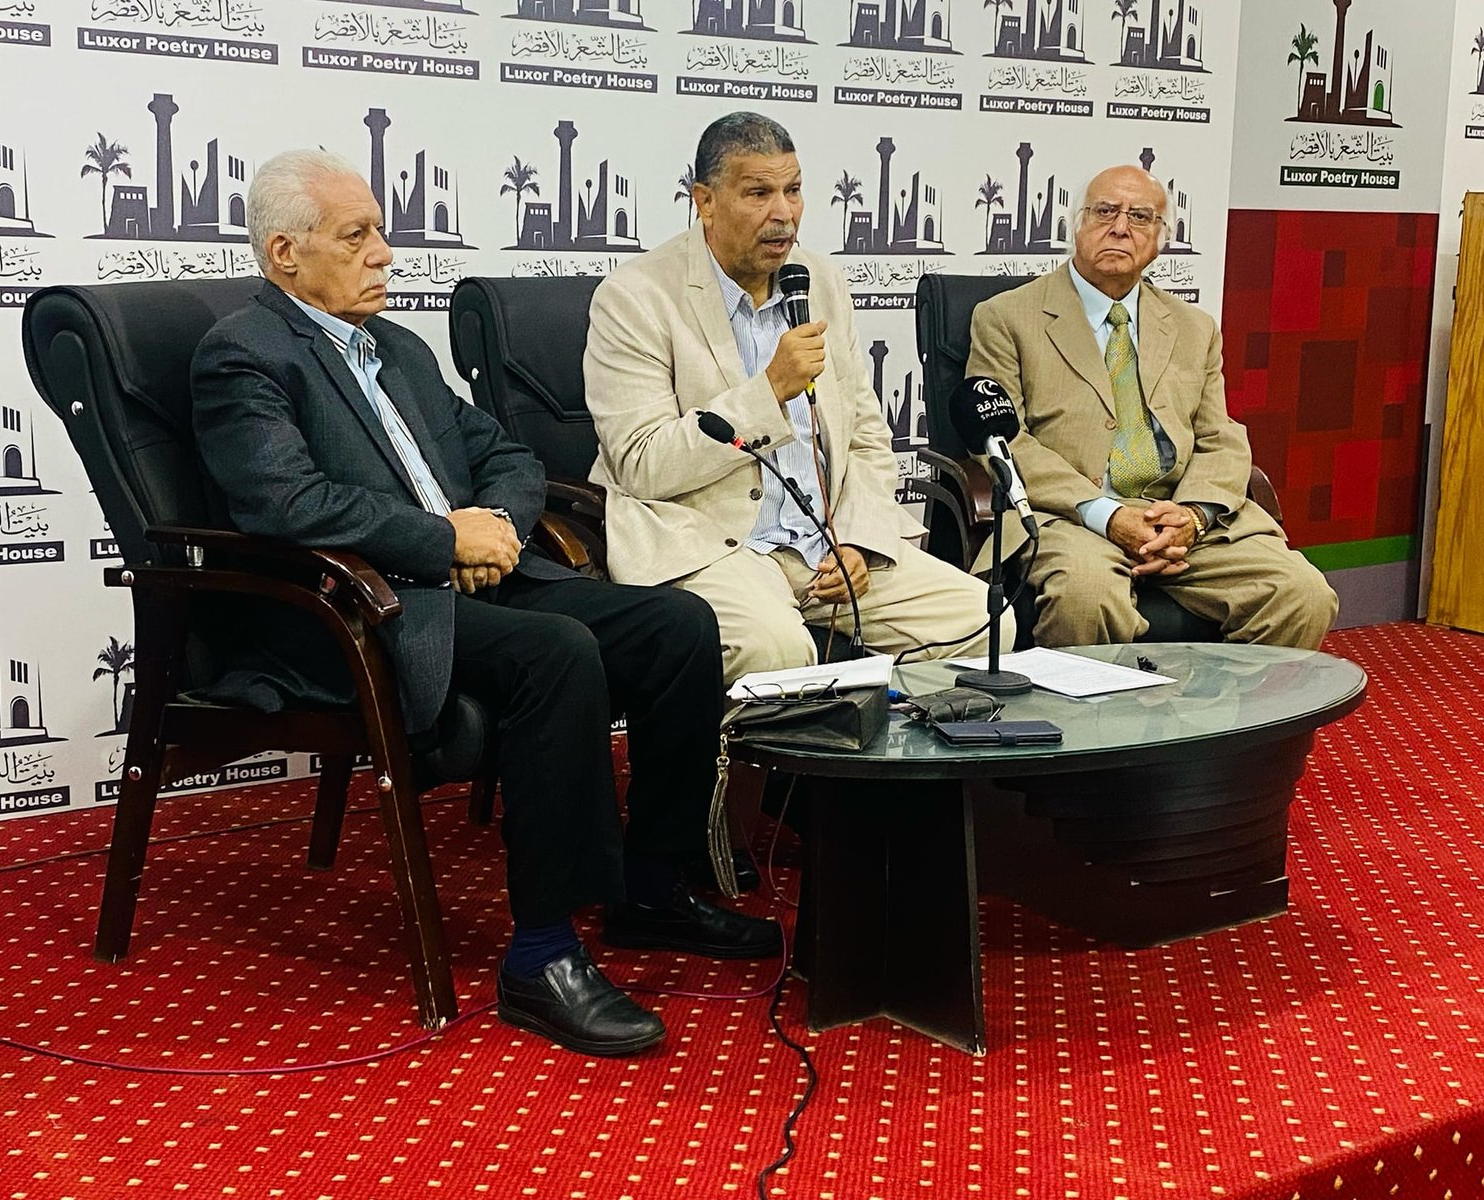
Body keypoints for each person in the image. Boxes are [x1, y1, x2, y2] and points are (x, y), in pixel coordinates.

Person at [190, 150, 778, 1059]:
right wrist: (440, 541)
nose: (385, 252)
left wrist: (493, 525)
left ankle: (651, 887)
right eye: (357, 236)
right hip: (361, 610)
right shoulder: (244, 355)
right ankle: (541, 956)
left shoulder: (398, 349)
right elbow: (285, 503)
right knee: (556, 652)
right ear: (285, 254)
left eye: (381, 230)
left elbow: (504, 453)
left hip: (475, 579)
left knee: (676, 625)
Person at [583, 112, 1011, 685]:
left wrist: (859, 540)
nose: (783, 213)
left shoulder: (819, 280)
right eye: (758, 193)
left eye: (793, 190)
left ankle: (885, 743)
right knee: (774, 647)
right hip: (711, 544)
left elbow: (866, 437)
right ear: (704, 201)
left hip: (827, 545)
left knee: (984, 622)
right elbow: (642, 464)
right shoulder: (635, 297)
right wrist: (769, 392)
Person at [965, 164, 1337, 648]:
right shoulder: (1005, 318)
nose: (1120, 227)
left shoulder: (1193, 327)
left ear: (1161, 239)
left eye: (1140, 217)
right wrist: (1107, 515)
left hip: (1177, 517)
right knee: (1087, 596)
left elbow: (1220, 437)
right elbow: (1003, 441)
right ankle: (1093, 704)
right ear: (1076, 225)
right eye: (1105, 211)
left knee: (1302, 595)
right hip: (1071, 516)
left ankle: (1227, 702)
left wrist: (1193, 517)